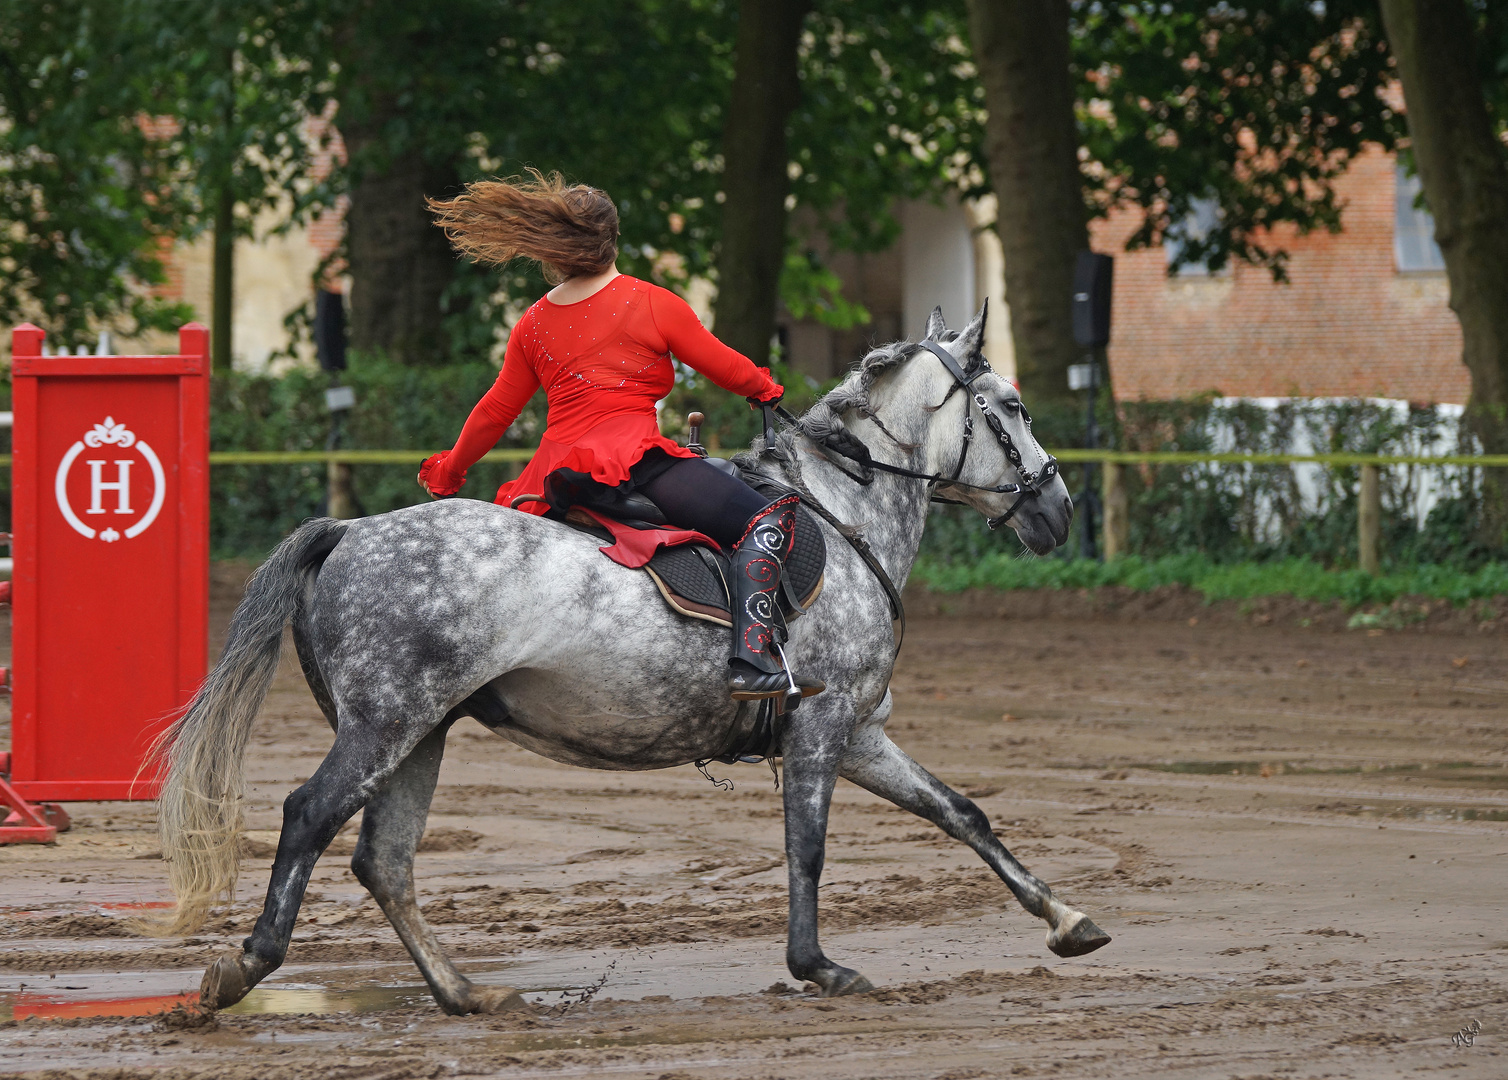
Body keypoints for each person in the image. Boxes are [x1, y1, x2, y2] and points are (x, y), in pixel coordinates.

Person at [417, 170, 803, 702]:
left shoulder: (532, 323)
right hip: (632, 462)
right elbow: (725, 367)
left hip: (552, 479)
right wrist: (765, 389)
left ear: (553, 250)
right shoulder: (651, 301)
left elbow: (495, 411)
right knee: (769, 514)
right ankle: (752, 659)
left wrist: (450, 470)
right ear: (613, 239)